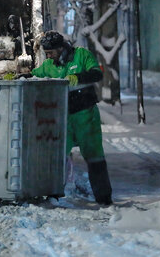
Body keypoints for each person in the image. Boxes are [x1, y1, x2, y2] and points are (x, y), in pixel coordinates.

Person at [31, 30, 112, 205]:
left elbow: (97, 73)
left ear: (61, 48)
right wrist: (17, 77)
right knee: (57, 156)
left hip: (85, 115)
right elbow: (34, 76)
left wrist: (78, 77)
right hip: (63, 118)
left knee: (94, 156)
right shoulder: (49, 66)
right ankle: (53, 195)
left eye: (51, 52)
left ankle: (104, 198)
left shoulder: (81, 55)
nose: (49, 56)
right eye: (47, 53)